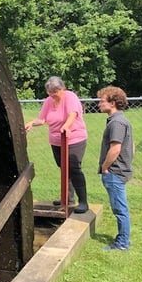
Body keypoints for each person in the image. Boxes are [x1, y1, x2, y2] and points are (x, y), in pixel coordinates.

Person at [24, 76, 89, 213]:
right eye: (50, 92)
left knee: (73, 168)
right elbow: (42, 120)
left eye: (55, 91)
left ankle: (83, 202)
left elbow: (73, 114)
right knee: (63, 167)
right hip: (56, 140)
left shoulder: (70, 97)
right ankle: (67, 198)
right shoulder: (48, 101)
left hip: (74, 138)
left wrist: (66, 126)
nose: (53, 94)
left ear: (62, 88)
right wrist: (31, 123)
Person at [97, 86, 134, 251]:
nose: (99, 104)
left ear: (112, 103)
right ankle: (123, 239)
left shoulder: (117, 122)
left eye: (102, 101)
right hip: (119, 170)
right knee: (121, 207)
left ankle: (122, 243)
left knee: (120, 209)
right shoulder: (121, 120)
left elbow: (116, 148)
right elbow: (131, 146)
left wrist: (105, 167)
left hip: (114, 172)